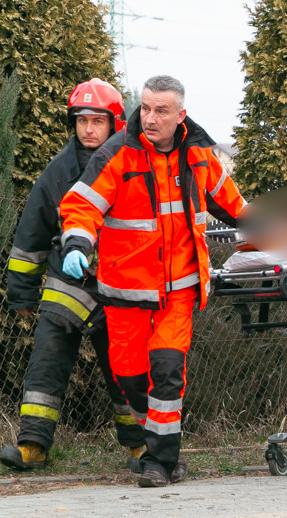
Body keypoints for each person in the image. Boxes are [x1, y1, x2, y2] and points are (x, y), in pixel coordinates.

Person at [58, 75, 247, 487]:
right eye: (145, 108)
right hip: (125, 293)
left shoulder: (198, 156)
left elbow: (233, 205)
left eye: (161, 110)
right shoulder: (118, 153)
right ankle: (154, 444)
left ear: (180, 115)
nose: (149, 117)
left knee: (166, 369)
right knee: (130, 378)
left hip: (178, 290)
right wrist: (76, 243)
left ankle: (162, 461)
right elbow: (82, 204)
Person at [0, 79, 144, 472]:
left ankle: (140, 448)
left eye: (98, 120)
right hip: (67, 288)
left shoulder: (133, 167)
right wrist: (23, 296)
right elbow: (30, 238)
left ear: (115, 123)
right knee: (46, 363)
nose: (89, 129)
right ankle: (32, 446)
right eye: (82, 120)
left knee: (125, 370)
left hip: (118, 289)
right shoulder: (57, 173)